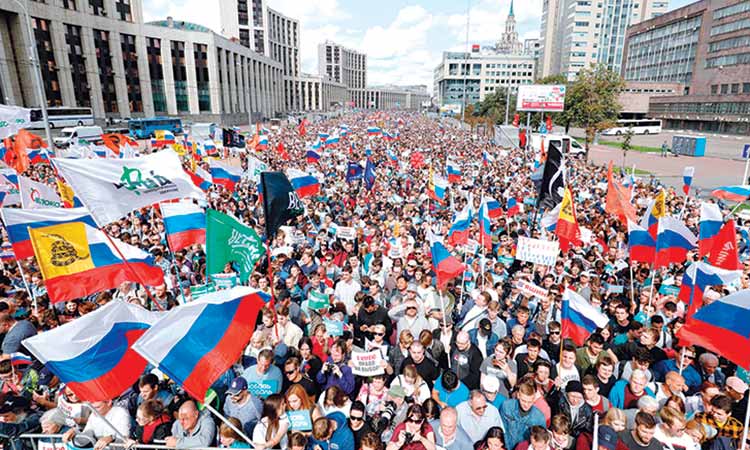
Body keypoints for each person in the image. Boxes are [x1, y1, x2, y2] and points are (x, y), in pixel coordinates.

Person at [62, 400, 130, 450]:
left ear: (109, 402)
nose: (94, 411)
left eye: (97, 407)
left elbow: (125, 441)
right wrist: (74, 432)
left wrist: (111, 438)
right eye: (92, 408)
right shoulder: (94, 415)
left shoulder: (120, 413)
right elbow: (87, 435)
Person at [500, 382, 546, 450]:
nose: (526, 405)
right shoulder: (506, 406)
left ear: (534, 399)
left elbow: (540, 439)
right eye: (523, 401)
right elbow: (502, 429)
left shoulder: (539, 418)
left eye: (530, 402)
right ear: (518, 395)